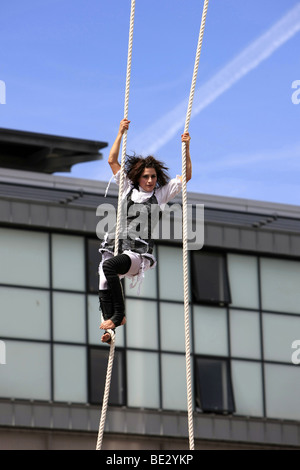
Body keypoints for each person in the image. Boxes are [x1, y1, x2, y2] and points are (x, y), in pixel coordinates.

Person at [98, 118, 192, 343]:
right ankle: (110, 329)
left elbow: (186, 176)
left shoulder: (159, 195)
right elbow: (112, 159)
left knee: (109, 267)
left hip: (138, 255)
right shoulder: (127, 188)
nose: (150, 180)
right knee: (103, 276)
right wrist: (120, 132)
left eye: (153, 177)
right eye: (146, 177)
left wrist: (186, 148)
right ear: (137, 177)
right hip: (118, 247)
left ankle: (119, 315)